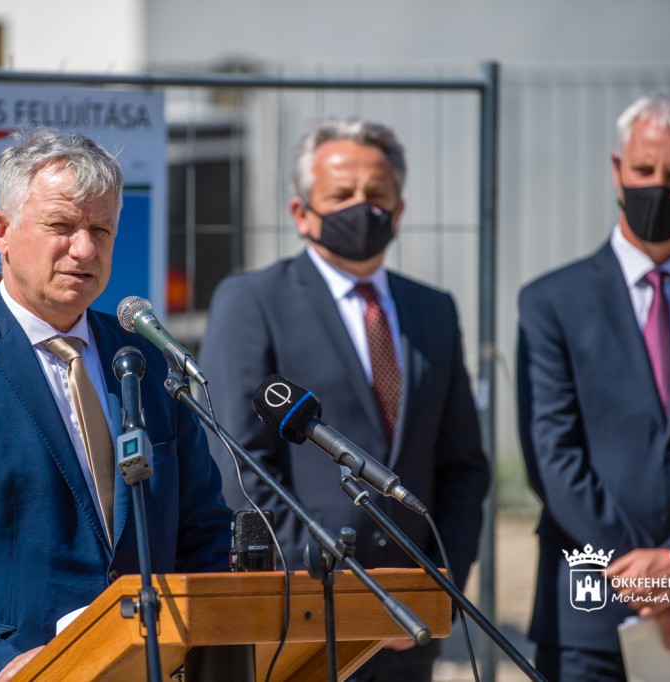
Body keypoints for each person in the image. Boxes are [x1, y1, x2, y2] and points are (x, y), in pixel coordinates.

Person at [0, 128, 231, 681]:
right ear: (1, 231)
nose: (84, 249)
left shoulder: (147, 363)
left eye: (101, 230)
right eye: (62, 226)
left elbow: (203, 531)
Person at [199, 117, 490, 681]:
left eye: (376, 194)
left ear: (399, 211)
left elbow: (462, 467)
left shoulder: (433, 310)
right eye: (341, 194)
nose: (362, 207)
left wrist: (438, 584)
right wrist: (336, 589)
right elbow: (240, 463)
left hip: (410, 628)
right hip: (308, 618)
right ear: (301, 212)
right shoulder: (252, 301)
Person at [517, 93, 670, 681]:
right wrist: (655, 582)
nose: (658, 187)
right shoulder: (551, 303)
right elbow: (553, 459)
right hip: (589, 611)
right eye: (643, 169)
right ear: (617, 170)